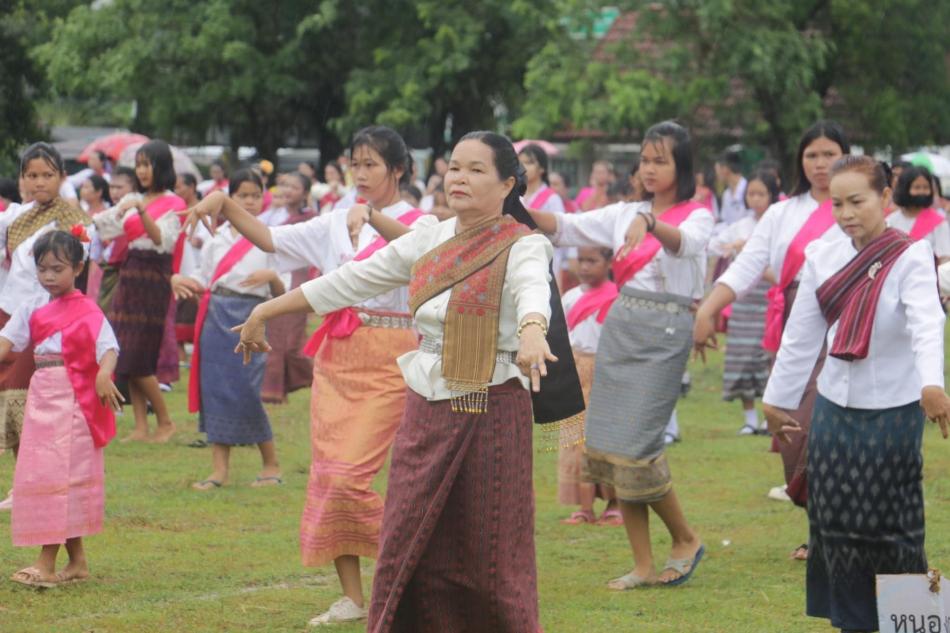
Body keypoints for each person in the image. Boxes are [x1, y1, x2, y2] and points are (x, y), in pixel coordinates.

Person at [220, 129, 582, 633]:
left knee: (489, 550)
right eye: (455, 166)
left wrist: (532, 334)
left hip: (489, 408)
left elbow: (530, 294)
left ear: (507, 185)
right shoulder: (429, 236)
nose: (459, 177)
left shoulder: (524, 245)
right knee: (407, 538)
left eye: (477, 170)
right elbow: (349, 281)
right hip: (424, 408)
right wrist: (269, 307)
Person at [186, 126, 438, 627]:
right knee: (329, 475)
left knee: (351, 478)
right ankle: (352, 596)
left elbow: (427, 255)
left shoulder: (421, 220)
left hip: (394, 356)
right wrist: (224, 203)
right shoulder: (332, 223)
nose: (361, 175)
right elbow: (271, 238)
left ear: (398, 170)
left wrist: (374, 218)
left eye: (372, 165)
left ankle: (423, 560)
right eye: (356, 164)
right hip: (338, 355)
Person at [762, 155, 950, 632]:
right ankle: (851, 623)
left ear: (885, 198)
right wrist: (777, 398)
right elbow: (802, 336)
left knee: (896, 529)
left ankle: (914, 623)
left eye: (857, 201)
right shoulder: (824, 255)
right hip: (833, 409)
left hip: (895, 410)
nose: (845, 213)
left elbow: (926, 323)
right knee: (834, 525)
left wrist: (932, 384)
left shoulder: (911, 255)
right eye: (838, 203)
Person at [528, 120, 712, 589]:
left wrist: (649, 222)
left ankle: (685, 538)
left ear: (682, 166)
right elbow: (565, 227)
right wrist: (515, 209)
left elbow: (686, 243)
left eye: (660, 160)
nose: (649, 169)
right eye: (645, 160)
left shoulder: (698, 213)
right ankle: (643, 564)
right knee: (609, 446)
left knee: (638, 446)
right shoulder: (624, 211)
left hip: (666, 332)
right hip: (622, 327)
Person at [693, 122, 850, 552]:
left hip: (847, 330)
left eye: (830, 153)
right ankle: (820, 526)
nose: (821, 164)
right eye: (811, 155)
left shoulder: (856, 209)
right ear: (799, 161)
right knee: (791, 434)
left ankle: (832, 534)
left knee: (827, 430)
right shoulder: (782, 214)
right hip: (794, 331)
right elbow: (746, 268)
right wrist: (708, 308)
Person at [1, 230, 122, 587]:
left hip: (76, 400)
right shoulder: (32, 306)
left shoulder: (88, 309)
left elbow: (109, 347)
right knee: (46, 476)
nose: (49, 277)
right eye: (43, 269)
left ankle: (46, 563)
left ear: (78, 267)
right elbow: (7, 342)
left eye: (58, 268)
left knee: (59, 477)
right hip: (43, 396)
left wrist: (103, 374)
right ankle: (78, 561)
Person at [172, 170, 285, 491]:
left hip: (253, 316)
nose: (248, 201)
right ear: (229, 198)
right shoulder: (214, 238)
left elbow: (284, 291)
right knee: (216, 391)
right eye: (242, 195)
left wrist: (271, 277)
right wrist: (178, 280)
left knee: (247, 391)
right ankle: (219, 470)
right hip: (215, 317)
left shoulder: (271, 237)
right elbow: (200, 278)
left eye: (254, 195)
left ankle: (271, 464)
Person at [0, 143, 92, 512]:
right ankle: (22, 483)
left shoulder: (74, 219)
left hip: (46, 321)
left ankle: (33, 486)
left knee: (28, 402)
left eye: (47, 175)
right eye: (32, 175)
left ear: (61, 177)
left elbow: (82, 270)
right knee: (10, 401)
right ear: (22, 178)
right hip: (10, 314)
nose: (39, 182)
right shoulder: (18, 217)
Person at [93, 140, 184, 443]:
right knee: (126, 354)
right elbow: (107, 225)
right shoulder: (134, 198)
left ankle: (166, 422)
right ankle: (141, 427)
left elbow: (162, 240)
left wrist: (141, 211)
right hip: (131, 274)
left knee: (140, 357)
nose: (143, 171)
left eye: (148, 165)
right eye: (140, 165)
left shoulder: (174, 204)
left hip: (154, 276)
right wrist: (82, 225)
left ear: (162, 167)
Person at [709, 169, 780, 435]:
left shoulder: (778, 223)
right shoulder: (741, 225)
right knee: (741, 355)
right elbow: (714, 245)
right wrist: (734, 246)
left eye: (761, 194)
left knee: (768, 357)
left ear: (772, 196)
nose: (756, 199)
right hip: (742, 298)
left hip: (770, 297)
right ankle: (749, 416)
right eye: (752, 194)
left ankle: (768, 415)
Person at [558, 246, 622, 526]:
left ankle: (615, 503)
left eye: (592, 261)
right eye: (581, 260)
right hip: (574, 373)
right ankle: (584, 508)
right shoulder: (571, 297)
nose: (584, 267)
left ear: (609, 263)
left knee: (606, 440)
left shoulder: (618, 298)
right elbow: (560, 334)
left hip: (606, 372)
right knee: (575, 442)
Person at [259, 171, 315, 404]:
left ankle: (316, 376)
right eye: (285, 185)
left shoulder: (311, 219)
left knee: (293, 343)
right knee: (275, 335)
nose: (288, 191)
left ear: (305, 193)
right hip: (276, 279)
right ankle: (273, 391)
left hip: (299, 280)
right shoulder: (272, 215)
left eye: (294, 186)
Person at [887, 165, 950, 264]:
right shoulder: (891, 221)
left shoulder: (939, 223)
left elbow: (944, 258)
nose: (922, 192)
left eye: (926, 187)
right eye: (917, 187)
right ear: (905, 189)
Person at [96, 167, 138, 313]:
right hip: (111, 268)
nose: (114, 192)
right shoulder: (114, 211)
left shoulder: (136, 210)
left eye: (119, 187)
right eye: (111, 187)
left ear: (134, 189)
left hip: (127, 269)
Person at [79, 175, 112, 301]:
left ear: (99, 192)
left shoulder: (106, 213)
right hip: (82, 262)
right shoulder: (83, 212)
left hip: (98, 262)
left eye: (87, 187)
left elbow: (110, 243)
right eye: (83, 187)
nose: (83, 190)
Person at [715, 149, 750, 226]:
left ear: (725, 169)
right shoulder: (726, 194)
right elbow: (725, 222)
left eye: (717, 170)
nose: (716, 175)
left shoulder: (749, 190)